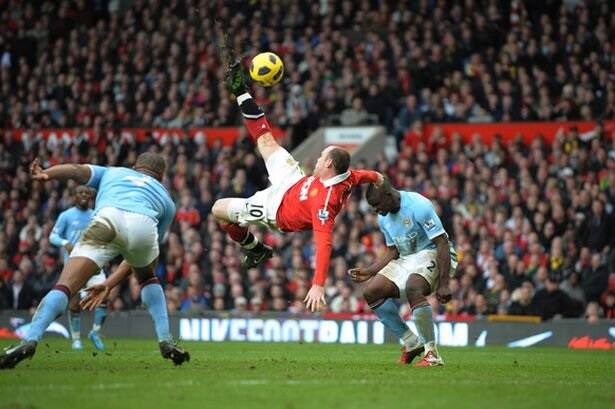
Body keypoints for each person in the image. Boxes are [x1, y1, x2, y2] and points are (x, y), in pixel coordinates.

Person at [215, 61, 383, 312]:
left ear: (328, 164)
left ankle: (255, 248)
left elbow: (324, 242)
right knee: (266, 139)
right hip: (293, 181)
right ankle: (241, 91)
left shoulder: (325, 202)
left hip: (277, 210)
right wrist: (380, 180)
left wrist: (318, 284)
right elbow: (367, 175)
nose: (317, 158)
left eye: (321, 156)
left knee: (219, 209)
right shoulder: (345, 175)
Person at [0, 153, 190, 369]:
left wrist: (47, 173)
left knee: (65, 286)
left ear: (134, 166)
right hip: (144, 223)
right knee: (147, 277)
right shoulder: (167, 200)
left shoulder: (114, 171)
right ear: (161, 176)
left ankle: (30, 340)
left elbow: (77, 170)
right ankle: (165, 339)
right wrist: (109, 284)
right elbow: (138, 255)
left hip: (107, 218)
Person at [348, 179, 457, 366]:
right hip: (407, 257)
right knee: (371, 292)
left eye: (376, 204)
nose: (375, 210)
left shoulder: (418, 205)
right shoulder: (383, 218)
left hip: (432, 252)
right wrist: (370, 271)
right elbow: (393, 251)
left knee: (414, 287)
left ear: (389, 196)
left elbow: (441, 242)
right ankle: (412, 342)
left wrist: (444, 284)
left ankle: (432, 354)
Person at [49, 185, 107, 350]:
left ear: (90, 197)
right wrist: (65, 242)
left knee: (104, 296)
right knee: (74, 304)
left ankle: (95, 332)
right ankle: (76, 339)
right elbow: (53, 235)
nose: (84, 195)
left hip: (94, 264)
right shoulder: (66, 216)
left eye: (87, 193)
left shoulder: (96, 215)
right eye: (80, 192)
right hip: (74, 266)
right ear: (74, 196)